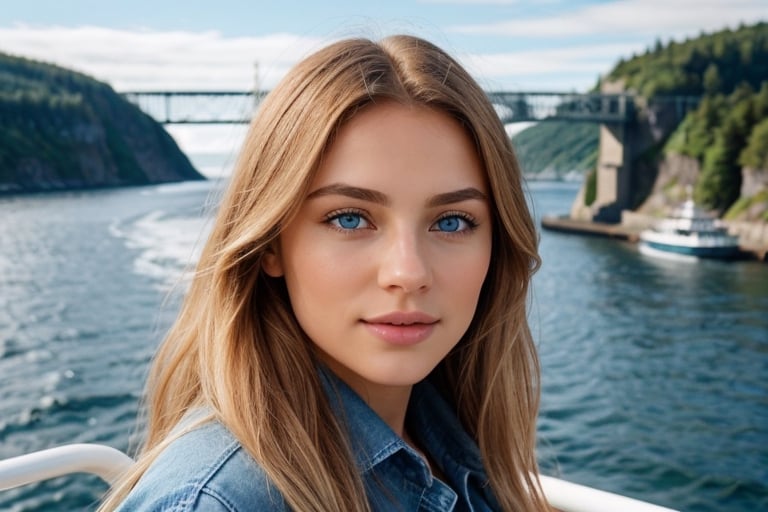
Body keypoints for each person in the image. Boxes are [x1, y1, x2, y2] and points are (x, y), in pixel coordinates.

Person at [100, 34, 550, 511]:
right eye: (350, 218)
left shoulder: (450, 441)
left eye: (452, 222)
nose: (408, 272)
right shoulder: (218, 501)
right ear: (270, 243)